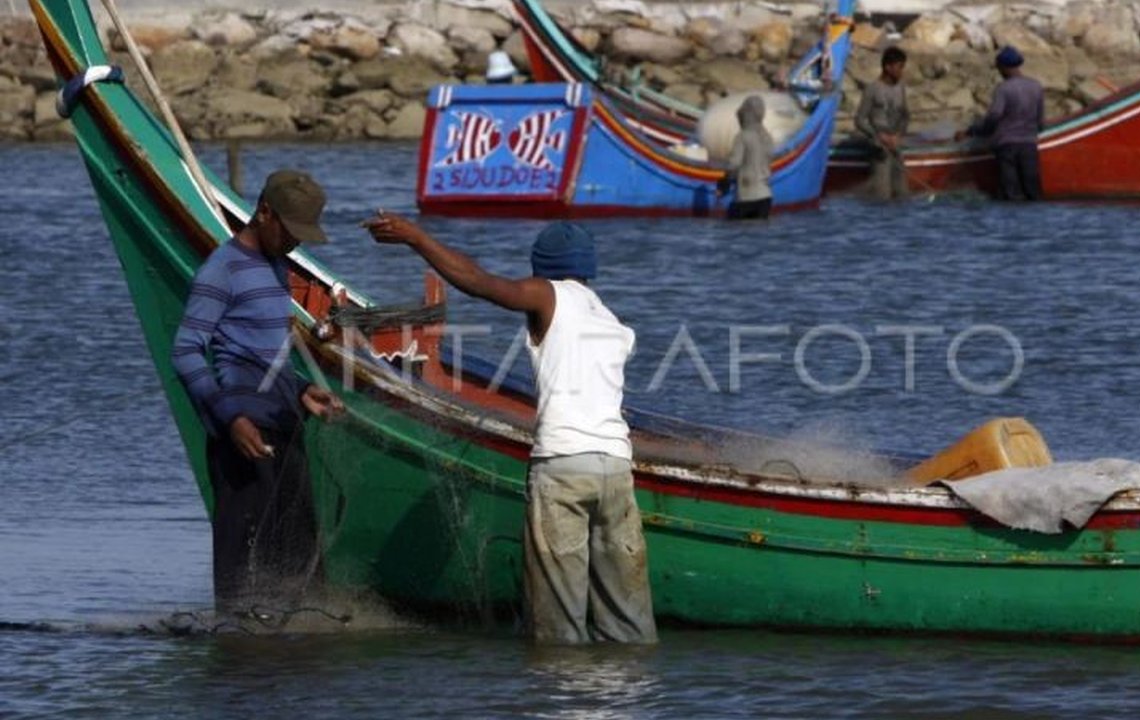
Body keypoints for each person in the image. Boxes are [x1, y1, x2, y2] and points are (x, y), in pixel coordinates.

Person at [362, 213, 658, 646]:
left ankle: (559, 704)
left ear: (541, 269)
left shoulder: (547, 294)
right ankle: (627, 702)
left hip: (563, 467)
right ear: (589, 268)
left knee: (557, 625)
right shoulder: (609, 319)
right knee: (627, 624)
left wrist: (417, 238)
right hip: (615, 469)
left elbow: (479, 281)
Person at [171, 169, 345, 614]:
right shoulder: (221, 270)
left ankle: (292, 658)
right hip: (242, 436)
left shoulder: (276, 263)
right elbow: (187, 352)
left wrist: (303, 390)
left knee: (297, 551)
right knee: (242, 561)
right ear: (264, 212)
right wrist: (231, 418)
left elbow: (267, 354)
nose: (296, 243)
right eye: (291, 232)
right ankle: (237, 655)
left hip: (283, 423)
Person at [957, 46, 1045, 201]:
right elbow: (1040, 121)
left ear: (1003, 67)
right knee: (1033, 191)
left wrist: (972, 131)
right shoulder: (1036, 87)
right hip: (1029, 145)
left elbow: (994, 117)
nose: (998, 71)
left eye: (998, 68)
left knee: (1010, 194)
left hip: (1007, 147)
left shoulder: (1003, 89)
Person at [854, 46, 910, 200]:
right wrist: (879, 136)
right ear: (888, 67)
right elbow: (859, 120)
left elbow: (906, 116)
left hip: (896, 146)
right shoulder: (872, 89)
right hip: (879, 149)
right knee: (882, 197)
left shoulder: (901, 88)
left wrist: (899, 135)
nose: (901, 71)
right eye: (899, 67)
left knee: (902, 195)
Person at [719, 94, 774, 220]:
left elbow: (734, 164)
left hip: (746, 197)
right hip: (766, 196)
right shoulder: (767, 138)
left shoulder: (742, 136)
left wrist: (723, 183)